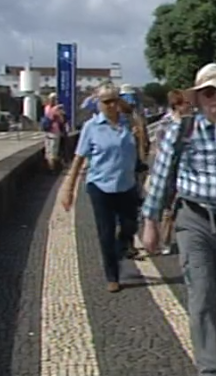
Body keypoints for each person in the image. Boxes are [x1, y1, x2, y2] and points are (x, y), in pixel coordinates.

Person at [141, 63, 216, 376]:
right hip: (194, 219)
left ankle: (209, 343)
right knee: (202, 292)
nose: (215, 99)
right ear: (197, 97)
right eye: (208, 92)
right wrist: (151, 222)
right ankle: (210, 367)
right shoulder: (182, 129)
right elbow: (161, 175)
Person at [59, 85, 140, 293]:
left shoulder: (128, 123)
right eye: (106, 102)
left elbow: (141, 148)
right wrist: (68, 188)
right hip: (100, 186)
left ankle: (120, 248)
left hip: (127, 184)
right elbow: (79, 158)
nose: (112, 105)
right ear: (98, 104)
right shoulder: (91, 127)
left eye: (114, 100)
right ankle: (112, 275)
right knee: (106, 232)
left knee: (131, 225)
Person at [155, 89, 191, 255]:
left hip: (188, 170)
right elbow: (161, 147)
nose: (189, 107)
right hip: (170, 170)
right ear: (176, 105)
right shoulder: (166, 122)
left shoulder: (192, 122)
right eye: (185, 103)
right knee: (168, 208)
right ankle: (165, 239)